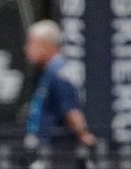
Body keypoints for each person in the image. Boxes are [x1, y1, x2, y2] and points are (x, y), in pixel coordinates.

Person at [23, 20, 95, 157]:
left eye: (32, 43)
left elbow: (71, 109)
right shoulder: (49, 71)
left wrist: (83, 135)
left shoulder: (59, 71)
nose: (27, 49)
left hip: (56, 149)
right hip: (45, 146)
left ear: (46, 45)